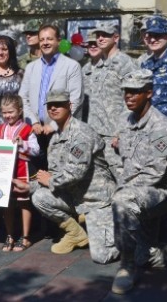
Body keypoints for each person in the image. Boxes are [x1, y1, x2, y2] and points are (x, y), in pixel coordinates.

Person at [28, 89, 118, 264]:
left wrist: (50, 180)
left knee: (102, 256)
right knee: (39, 196)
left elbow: (75, 173)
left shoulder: (80, 133)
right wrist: (28, 186)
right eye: (50, 105)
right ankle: (76, 234)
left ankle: (121, 231)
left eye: (59, 105)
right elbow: (53, 174)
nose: (54, 108)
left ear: (69, 106)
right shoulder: (56, 138)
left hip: (96, 200)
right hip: (74, 197)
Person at [110, 70, 167, 294]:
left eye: (135, 92)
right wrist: (120, 180)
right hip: (131, 188)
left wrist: (123, 188)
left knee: (121, 202)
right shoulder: (125, 119)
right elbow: (116, 152)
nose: (128, 97)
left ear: (148, 93)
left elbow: (156, 172)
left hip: (160, 192)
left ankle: (126, 267)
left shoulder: (161, 127)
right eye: (126, 92)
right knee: (144, 256)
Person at [18, 24, 83, 169]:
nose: (45, 43)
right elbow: (23, 97)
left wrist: (54, 125)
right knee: (37, 174)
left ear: (58, 41)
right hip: (36, 131)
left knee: (60, 173)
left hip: (61, 131)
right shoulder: (31, 67)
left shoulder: (72, 66)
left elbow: (75, 100)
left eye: (49, 39)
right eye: (42, 40)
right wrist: (33, 122)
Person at [87, 21, 136, 182]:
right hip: (96, 133)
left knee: (123, 179)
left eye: (105, 35)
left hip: (114, 135)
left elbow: (132, 101)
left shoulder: (125, 63)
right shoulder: (97, 65)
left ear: (116, 37)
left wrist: (121, 133)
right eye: (98, 35)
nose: (100, 38)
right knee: (100, 181)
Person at [0, 94, 40, 252]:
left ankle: (26, 236)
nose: (7, 115)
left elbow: (36, 150)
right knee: (6, 203)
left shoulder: (27, 129)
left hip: (22, 169)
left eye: (11, 112)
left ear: (20, 111)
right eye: (4, 112)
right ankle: (10, 235)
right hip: (5, 170)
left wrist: (23, 144)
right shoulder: (0, 128)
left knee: (23, 202)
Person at [81, 31, 102, 124]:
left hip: (107, 127)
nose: (93, 46)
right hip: (87, 122)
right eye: (90, 44)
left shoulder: (111, 67)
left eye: (96, 43)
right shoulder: (84, 69)